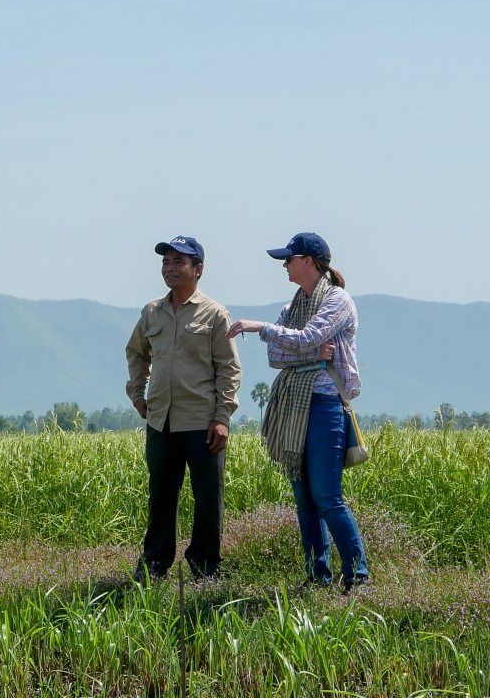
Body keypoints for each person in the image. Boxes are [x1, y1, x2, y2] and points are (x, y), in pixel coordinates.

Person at [226, 232, 370, 591]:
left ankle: (358, 574)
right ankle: (316, 575)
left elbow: (305, 336)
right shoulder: (292, 307)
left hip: (324, 407)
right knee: (304, 498)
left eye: (289, 259)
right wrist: (308, 356)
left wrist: (262, 327)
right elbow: (277, 356)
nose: (285, 266)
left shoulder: (338, 301)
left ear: (308, 261)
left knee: (327, 497)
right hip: (295, 406)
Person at [125, 235, 242, 580]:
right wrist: (137, 392)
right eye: (166, 262)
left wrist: (222, 418)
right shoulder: (151, 311)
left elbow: (229, 368)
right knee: (161, 494)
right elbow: (135, 352)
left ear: (198, 269)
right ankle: (155, 565)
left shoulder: (215, 314)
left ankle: (206, 567)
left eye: (178, 262)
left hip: (202, 422)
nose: (170, 268)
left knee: (208, 498)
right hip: (160, 420)